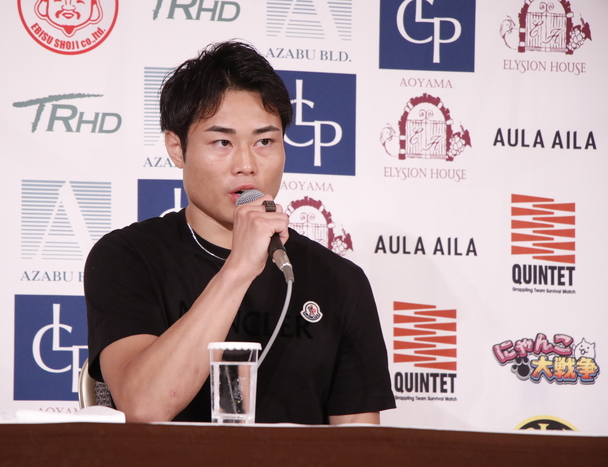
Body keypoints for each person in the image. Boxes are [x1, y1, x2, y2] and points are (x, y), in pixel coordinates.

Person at [84, 41, 395, 424]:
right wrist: (239, 268)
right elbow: (144, 407)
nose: (246, 164)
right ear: (177, 148)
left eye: (264, 141)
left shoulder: (339, 280)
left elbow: (358, 443)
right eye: (222, 142)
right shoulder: (127, 258)